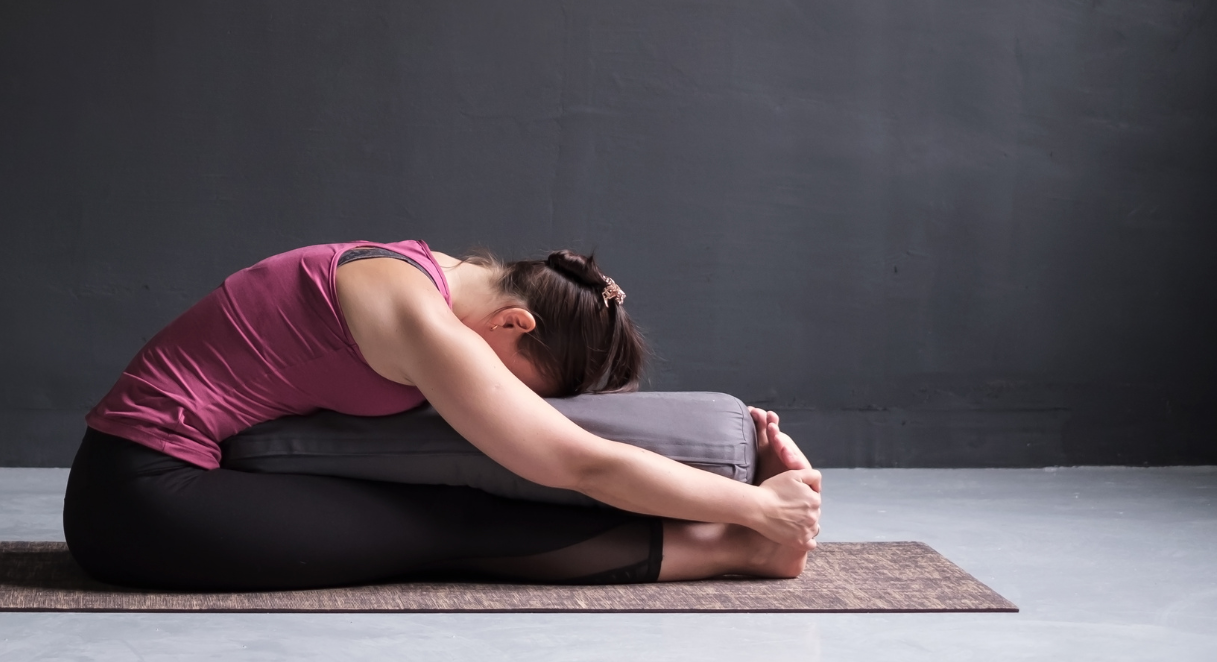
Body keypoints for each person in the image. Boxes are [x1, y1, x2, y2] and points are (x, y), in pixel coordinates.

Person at [64, 240, 821, 591]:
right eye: (530, 387)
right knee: (449, 522)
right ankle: (740, 551)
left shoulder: (422, 269)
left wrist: (701, 437)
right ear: (517, 325)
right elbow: (576, 458)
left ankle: (731, 542)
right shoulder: (419, 319)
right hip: (139, 501)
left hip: (168, 478)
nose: (517, 398)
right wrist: (758, 508)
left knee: (450, 504)